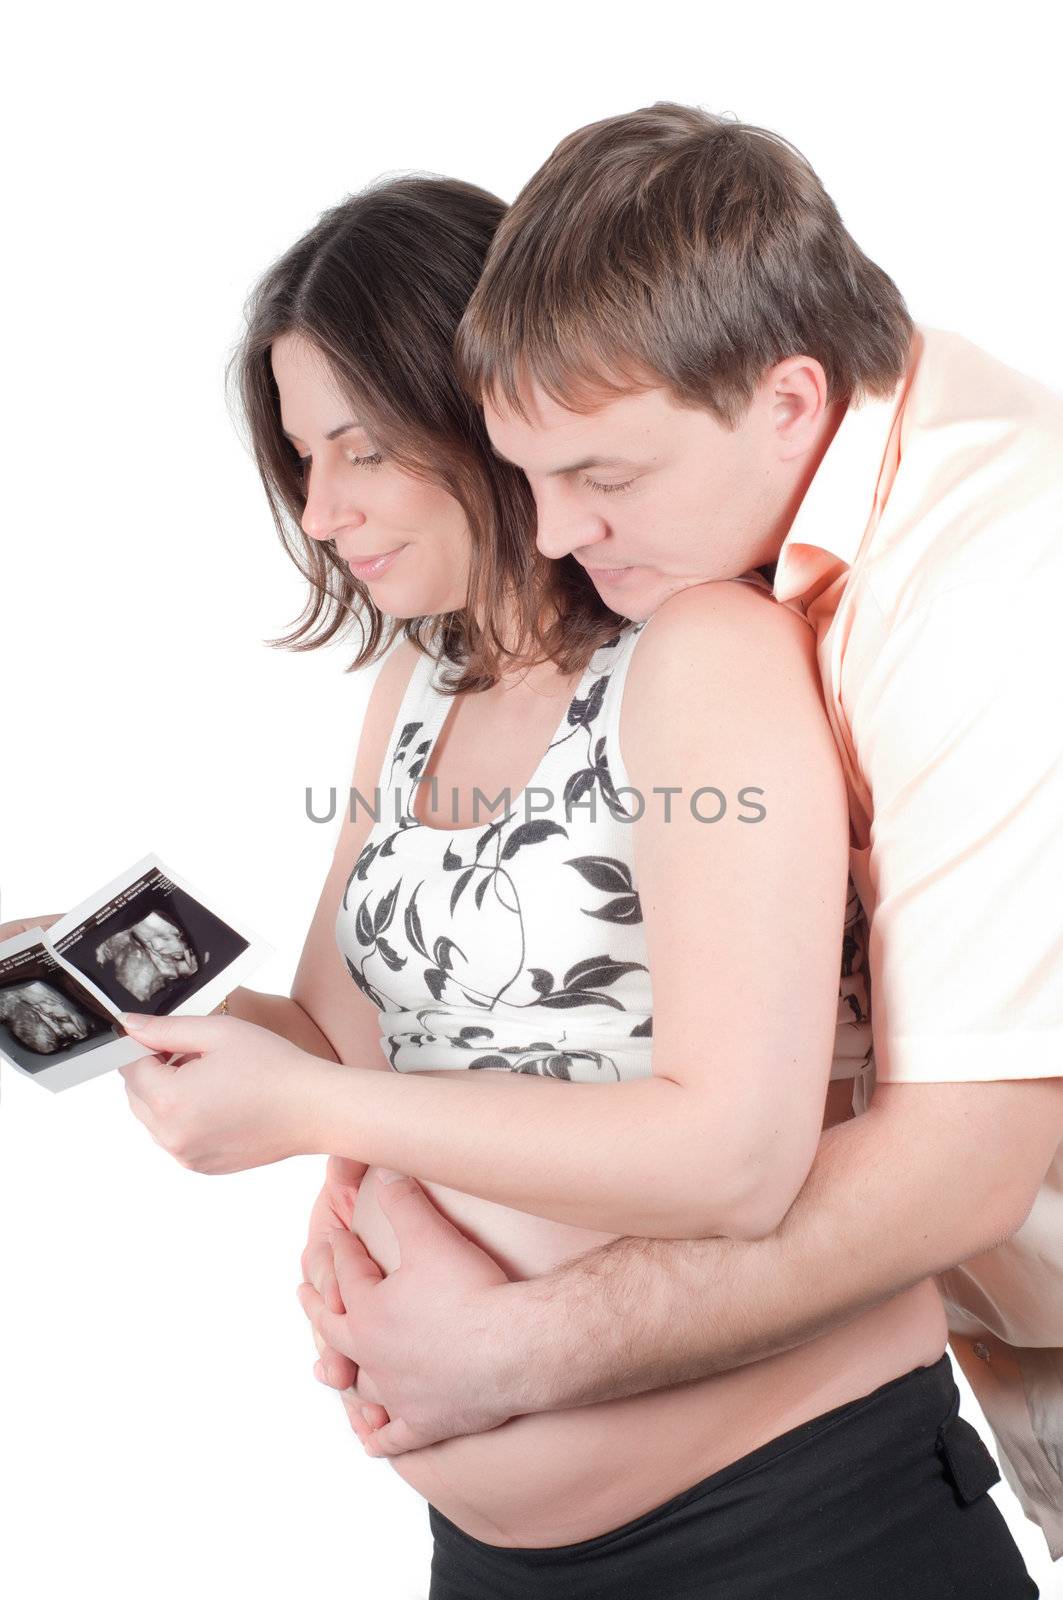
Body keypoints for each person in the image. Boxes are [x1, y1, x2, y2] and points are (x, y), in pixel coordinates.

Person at [93, 167, 1039, 1597]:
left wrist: (300, 1111)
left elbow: (732, 1153)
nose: (321, 506)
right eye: (300, 458)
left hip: (790, 1525)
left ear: (473, 413)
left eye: (361, 449)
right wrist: (141, 1014)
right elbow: (348, 1038)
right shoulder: (419, 683)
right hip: (489, 1551)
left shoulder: (708, 651)